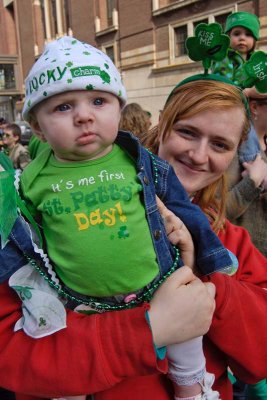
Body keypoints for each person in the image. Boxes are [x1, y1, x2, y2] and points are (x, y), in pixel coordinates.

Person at [1, 36, 233, 400]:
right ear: (39, 127)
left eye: (98, 100)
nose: (84, 115)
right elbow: (20, 240)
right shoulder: (28, 182)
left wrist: (211, 257)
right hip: (80, 307)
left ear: (118, 108)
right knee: (68, 374)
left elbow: (184, 209)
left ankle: (193, 390)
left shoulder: (135, 159)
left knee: (187, 348)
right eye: (62, 107)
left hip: (158, 284)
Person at [144, 77, 267, 400]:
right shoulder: (91, 214)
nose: (199, 156)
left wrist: (204, 275)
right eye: (187, 132)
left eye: (220, 145)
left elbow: (260, 358)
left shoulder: (231, 241)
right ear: (163, 124)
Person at [211, 11, 267, 189]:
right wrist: (248, 92)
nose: (242, 39)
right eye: (237, 34)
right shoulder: (224, 59)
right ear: (228, 37)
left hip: (245, 109)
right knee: (248, 133)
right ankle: (250, 164)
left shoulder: (254, 62)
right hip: (228, 109)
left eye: (248, 34)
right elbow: (223, 86)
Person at [226, 86, 267, 257]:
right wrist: (251, 183)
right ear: (254, 108)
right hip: (245, 263)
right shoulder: (232, 154)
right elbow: (218, 212)